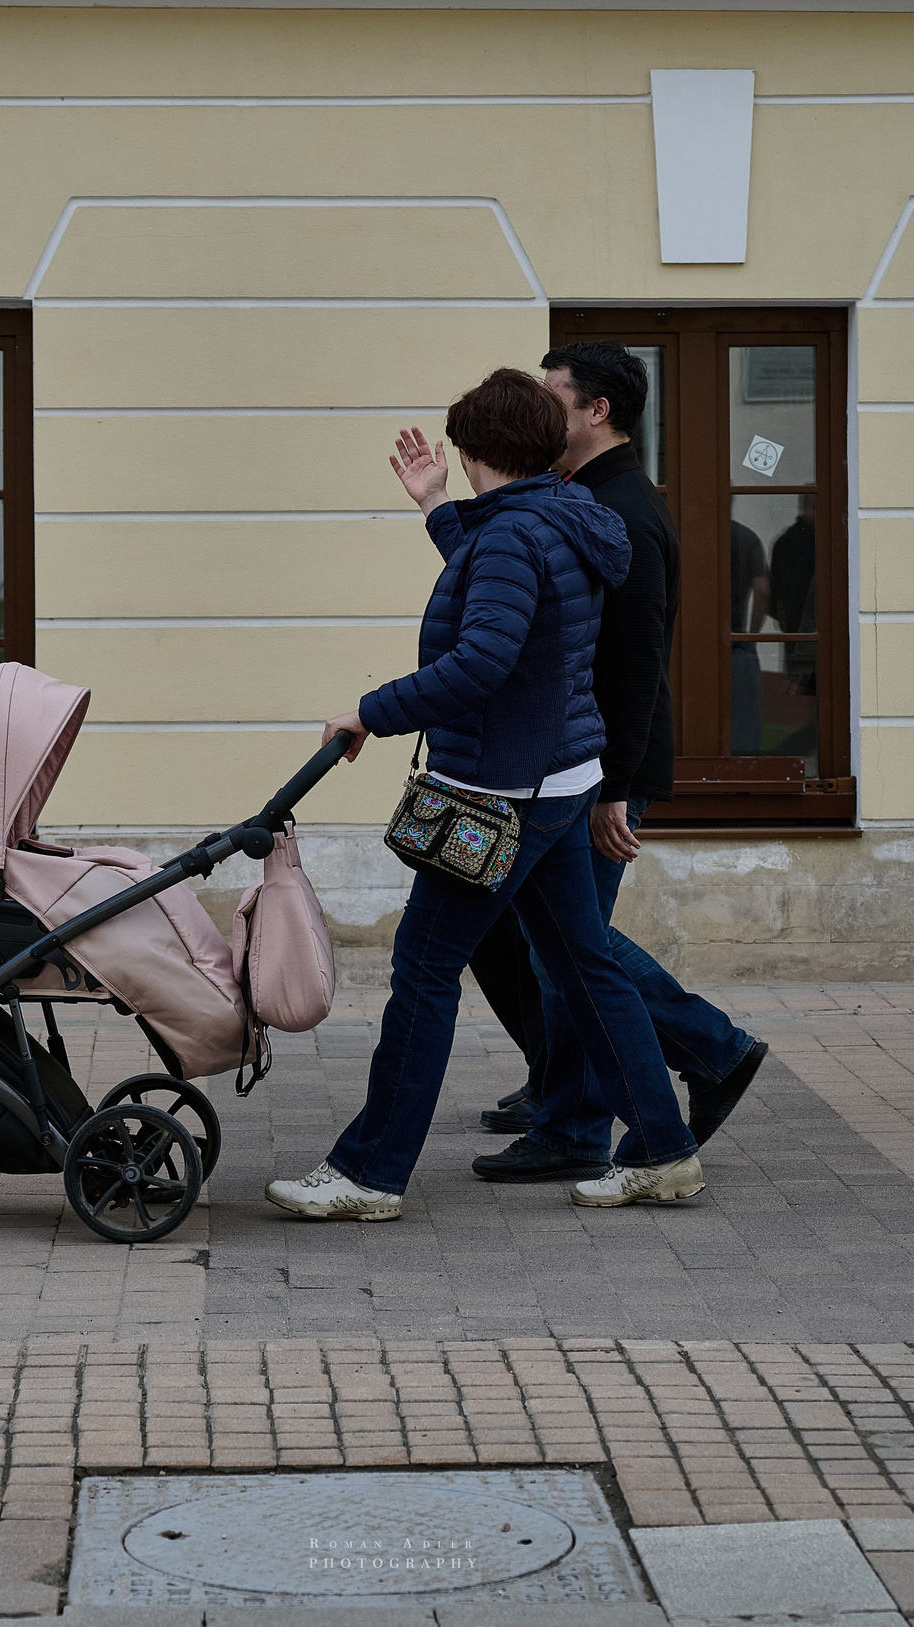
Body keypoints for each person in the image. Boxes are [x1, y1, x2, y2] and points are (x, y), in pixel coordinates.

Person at [265, 369, 706, 1222]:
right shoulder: (565, 516)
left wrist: (369, 710)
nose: (457, 465)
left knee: (425, 970)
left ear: (480, 450)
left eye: (460, 455)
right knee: (586, 962)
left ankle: (371, 1170)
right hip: (558, 781)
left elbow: (481, 660)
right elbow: (508, 591)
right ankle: (663, 1147)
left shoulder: (516, 533)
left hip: (496, 795)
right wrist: (433, 506)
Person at [470, 341, 769, 1186]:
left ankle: (708, 1052)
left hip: (597, 772)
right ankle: (573, 1116)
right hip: (575, 765)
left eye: (552, 398)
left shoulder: (625, 509)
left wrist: (618, 787)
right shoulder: (584, 494)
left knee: (575, 946)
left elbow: (637, 665)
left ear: (596, 410)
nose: (539, 413)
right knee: (558, 945)